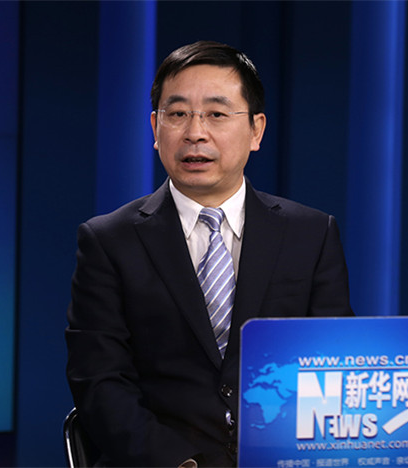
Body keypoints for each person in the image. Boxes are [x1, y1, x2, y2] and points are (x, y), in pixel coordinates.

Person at [65, 40, 353, 467]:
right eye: (178, 114)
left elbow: (335, 368)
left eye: (217, 114)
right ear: (155, 128)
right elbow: (100, 383)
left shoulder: (311, 234)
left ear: (256, 130)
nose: (195, 132)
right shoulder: (108, 241)